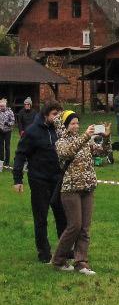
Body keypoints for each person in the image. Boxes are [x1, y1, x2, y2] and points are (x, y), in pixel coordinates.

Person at [12, 100, 68, 263]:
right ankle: (44, 253)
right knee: (41, 218)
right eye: (54, 114)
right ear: (45, 114)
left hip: (57, 179)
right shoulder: (32, 131)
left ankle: (64, 251)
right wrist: (18, 179)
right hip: (39, 180)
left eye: (59, 114)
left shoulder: (60, 130)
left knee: (62, 216)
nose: (57, 117)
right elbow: (20, 154)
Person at [51, 110, 107, 275]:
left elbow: (102, 152)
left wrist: (106, 138)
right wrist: (85, 136)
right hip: (70, 190)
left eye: (77, 122)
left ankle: (81, 262)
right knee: (74, 226)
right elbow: (67, 152)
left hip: (87, 188)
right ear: (65, 126)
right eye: (72, 123)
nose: (76, 126)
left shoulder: (85, 140)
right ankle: (58, 259)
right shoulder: (61, 142)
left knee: (84, 228)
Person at [0, 98, 14, 167]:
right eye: (0, 106)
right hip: (0, 131)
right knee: (1, 147)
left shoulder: (10, 112)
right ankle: (1, 161)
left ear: (5, 105)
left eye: (2, 106)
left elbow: (13, 122)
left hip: (8, 131)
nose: (1, 107)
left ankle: (7, 162)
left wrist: (7, 123)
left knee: (7, 147)